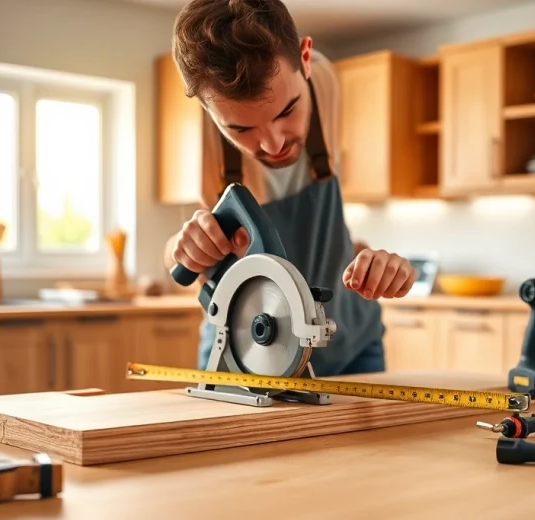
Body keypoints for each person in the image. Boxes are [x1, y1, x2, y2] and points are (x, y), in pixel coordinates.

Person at [163, 0, 417, 377]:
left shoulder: (325, 85)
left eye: (286, 111)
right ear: (207, 110)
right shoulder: (205, 138)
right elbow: (181, 259)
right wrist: (185, 247)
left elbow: (324, 238)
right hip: (246, 350)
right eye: (241, 129)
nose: (272, 144)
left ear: (306, 58)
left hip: (349, 344)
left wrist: (378, 266)